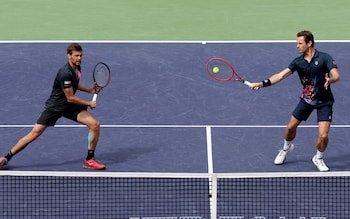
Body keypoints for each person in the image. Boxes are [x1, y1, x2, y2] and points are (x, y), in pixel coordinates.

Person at [0, 43, 106, 170]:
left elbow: (74, 84)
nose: (79, 58)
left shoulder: (77, 68)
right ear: (69, 56)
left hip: (69, 106)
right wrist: (89, 103)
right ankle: (6, 158)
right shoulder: (64, 73)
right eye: (76, 56)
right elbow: (70, 97)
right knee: (34, 134)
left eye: (81, 56)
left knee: (94, 124)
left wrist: (89, 90)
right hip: (55, 107)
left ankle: (89, 159)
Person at [250, 30, 340, 172]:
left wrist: (331, 79)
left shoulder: (324, 58)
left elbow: (336, 74)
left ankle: (318, 158)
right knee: (290, 128)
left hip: (325, 102)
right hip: (306, 100)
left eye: (300, 43)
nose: (297, 46)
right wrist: (261, 83)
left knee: (323, 136)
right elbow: (280, 76)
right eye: (296, 43)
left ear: (309, 43)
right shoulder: (298, 62)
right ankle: (286, 148)